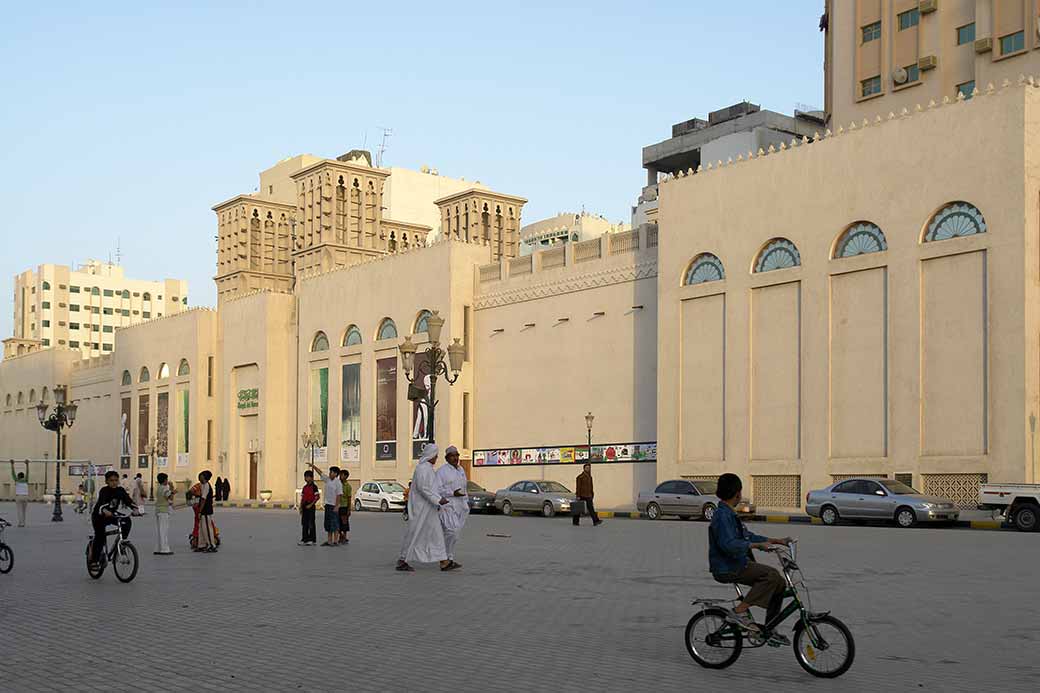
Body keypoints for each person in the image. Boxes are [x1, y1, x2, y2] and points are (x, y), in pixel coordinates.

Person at [708, 472, 792, 645]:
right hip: (727, 567)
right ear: (737, 493)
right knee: (771, 575)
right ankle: (739, 611)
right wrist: (754, 546)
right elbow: (728, 544)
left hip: (737, 563)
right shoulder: (722, 516)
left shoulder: (728, 513)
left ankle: (769, 627)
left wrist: (775, 540)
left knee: (780, 583)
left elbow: (747, 536)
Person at [396, 444, 451, 572]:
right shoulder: (422, 468)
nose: (436, 458)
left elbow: (432, 488)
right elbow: (423, 488)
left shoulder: (429, 468)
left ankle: (444, 561)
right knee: (414, 532)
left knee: (436, 533)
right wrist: (438, 500)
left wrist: (438, 499)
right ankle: (402, 559)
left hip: (429, 508)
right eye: (435, 455)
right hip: (420, 508)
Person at [90, 470, 138, 567]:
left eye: (116, 480)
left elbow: (128, 500)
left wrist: (135, 509)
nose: (114, 482)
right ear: (106, 481)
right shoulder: (104, 490)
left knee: (126, 521)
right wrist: (104, 510)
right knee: (100, 536)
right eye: (111, 480)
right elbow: (101, 503)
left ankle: (122, 542)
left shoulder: (120, 490)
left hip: (112, 514)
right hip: (99, 516)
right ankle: (94, 560)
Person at [435, 445, 469, 569]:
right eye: (452, 456)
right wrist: (451, 493)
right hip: (447, 506)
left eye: (457, 455)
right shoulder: (441, 472)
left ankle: (448, 558)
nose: (455, 458)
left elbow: (464, 488)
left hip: (461, 506)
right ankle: (443, 559)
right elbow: (437, 489)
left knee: (455, 534)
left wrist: (466, 502)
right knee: (452, 532)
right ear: (446, 458)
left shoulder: (461, 470)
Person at [308, 463, 342, 546]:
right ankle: (329, 541)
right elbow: (320, 472)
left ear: (336, 474)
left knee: (335, 523)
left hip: (334, 505)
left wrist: (337, 506)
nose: (330, 473)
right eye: (330, 472)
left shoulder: (338, 483)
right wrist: (313, 466)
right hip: (327, 504)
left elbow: (339, 495)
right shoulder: (328, 479)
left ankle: (335, 541)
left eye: (332, 472)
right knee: (328, 523)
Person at [153, 472, 176, 555]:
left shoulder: (159, 487)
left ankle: (158, 548)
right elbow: (169, 497)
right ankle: (164, 549)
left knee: (160, 530)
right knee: (164, 530)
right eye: (167, 479)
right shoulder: (165, 488)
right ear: (165, 480)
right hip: (164, 511)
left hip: (158, 510)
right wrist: (172, 489)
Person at [195, 470, 217, 553]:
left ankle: (211, 545)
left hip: (206, 510)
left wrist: (200, 511)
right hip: (203, 509)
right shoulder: (202, 485)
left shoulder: (207, 486)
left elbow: (204, 499)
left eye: (201, 476)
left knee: (207, 528)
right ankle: (201, 545)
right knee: (201, 528)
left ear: (205, 478)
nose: (199, 477)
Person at [298, 470, 320, 546]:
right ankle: (304, 539)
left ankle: (312, 539)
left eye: (308, 477)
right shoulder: (304, 487)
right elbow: (303, 497)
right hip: (304, 506)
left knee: (311, 523)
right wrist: (301, 507)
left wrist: (311, 505)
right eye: (305, 477)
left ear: (312, 478)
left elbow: (317, 497)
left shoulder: (314, 487)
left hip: (311, 506)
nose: (306, 478)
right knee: (304, 523)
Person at [10, 462, 29, 527]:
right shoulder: (26, 480)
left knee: (19, 510)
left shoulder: (17, 480)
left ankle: (21, 523)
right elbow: (28, 472)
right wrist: (27, 464)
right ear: (23, 476)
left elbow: (13, 473)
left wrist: (12, 464)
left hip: (19, 496)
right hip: (26, 497)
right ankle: (23, 523)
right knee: (24, 511)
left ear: (18, 476)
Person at [338, 469, 352, 544]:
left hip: (344, 506)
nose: (340, 476)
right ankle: (340, 536)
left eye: (342, 475)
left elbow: (349, 498)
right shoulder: (338, 484)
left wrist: (349, 509)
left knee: (344, 522)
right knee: (337, 522)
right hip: (337, 506)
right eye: (340, 475)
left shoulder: (348, 486)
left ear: (346, 476)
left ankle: (345, 537)